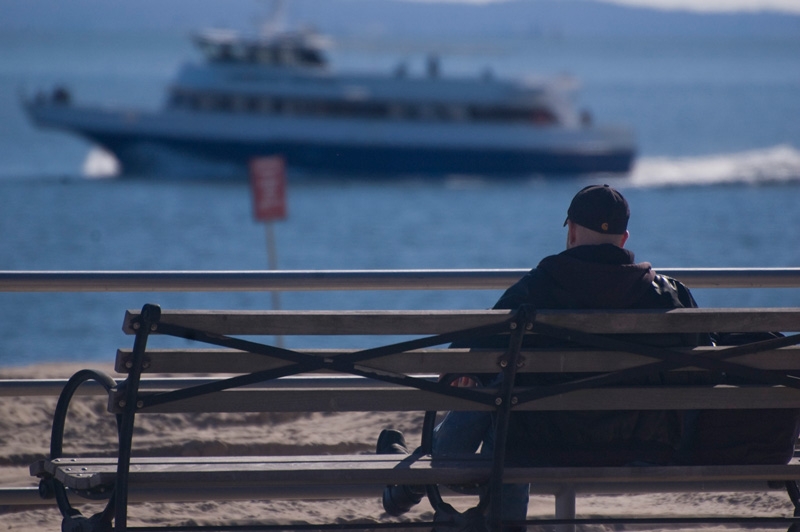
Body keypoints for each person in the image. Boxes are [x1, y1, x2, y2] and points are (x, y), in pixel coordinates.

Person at [377, 184, 708, 523]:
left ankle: (416, 480)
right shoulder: (667, 295)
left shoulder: (535, 289)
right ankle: (411, 481)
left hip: (540, 445)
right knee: (504, 400)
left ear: (573, 232)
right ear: (624, 239)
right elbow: (704, 362)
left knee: (500, 405)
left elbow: (468, 358)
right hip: (643, 446)